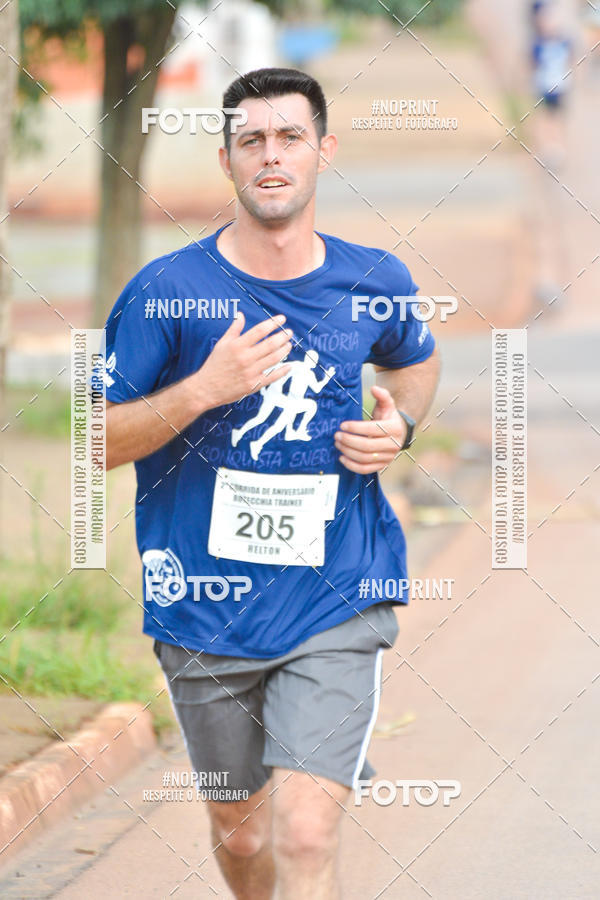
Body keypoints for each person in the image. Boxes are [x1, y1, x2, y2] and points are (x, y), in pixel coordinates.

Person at [104, 67, 440, 899]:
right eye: (251, 140)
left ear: (323, 150)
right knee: (245, 834)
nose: (271, 156)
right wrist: (203, 389)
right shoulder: (165, 295)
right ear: (226, 161)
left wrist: (398, 424)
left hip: (338, 592)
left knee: (304, 828)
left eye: (290, 136)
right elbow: (93, 440)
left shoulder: (375, 280)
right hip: (205, 604)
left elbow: (415, 362)